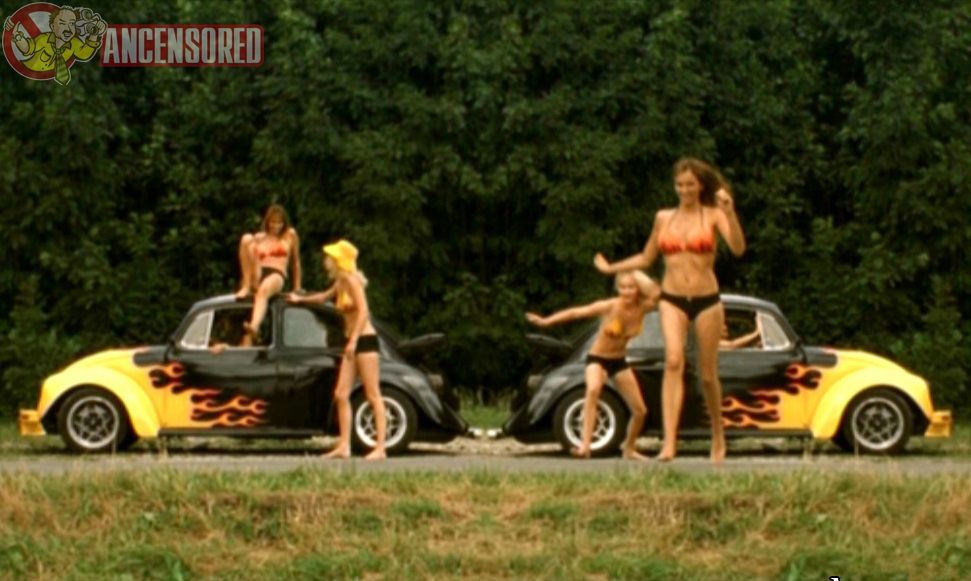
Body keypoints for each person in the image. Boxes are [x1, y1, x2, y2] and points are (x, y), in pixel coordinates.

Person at [594, 158, 745, 464]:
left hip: (706, 299)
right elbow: (646, 257)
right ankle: (669, 442)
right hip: (672, 298)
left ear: (700, 185)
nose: (684, 190)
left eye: (690, 184)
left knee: (707, 375)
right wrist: (612, 268)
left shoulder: (713, 214)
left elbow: (738, 248)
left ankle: (718, 435)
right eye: (679, 184)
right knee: (673, 361)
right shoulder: (663, 218)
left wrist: (730, 212)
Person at [526, 271, 661, 459]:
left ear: (638, 289)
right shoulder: (610, 306)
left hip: (619, 361)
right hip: (598, 358)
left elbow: (657, 292)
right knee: (593, 390)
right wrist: (546, 321)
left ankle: (629, 449)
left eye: (631, 287)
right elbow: (576, 312)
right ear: (618, 289)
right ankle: (585, 447)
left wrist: (638, 276)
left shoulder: (643, 307)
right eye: (623, 288)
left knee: (640, 411)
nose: (627, 292)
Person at [288, 240, 387, 460]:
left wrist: (353, 341)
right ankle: (344, 445)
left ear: (338, 261)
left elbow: (364, 311)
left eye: (329, 258)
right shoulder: (341, 282)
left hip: (364, 340)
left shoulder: (352, 281)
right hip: (351, 341)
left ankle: (380, 447)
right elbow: (322, 297)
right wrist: (300, 299)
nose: (325, 261)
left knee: (373, 394)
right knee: (341, 394)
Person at [237, 205, 302, 345]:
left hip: (277, 273)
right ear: (267, 222)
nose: (276, 226)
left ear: (284, 223)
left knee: (263, 291)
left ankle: (254, 326)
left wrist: (297, 287)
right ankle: (246, 286)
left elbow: (296, 262)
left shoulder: (290, 235)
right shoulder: (261, 237)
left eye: (279, 222)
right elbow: (248, 250)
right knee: (246, 238)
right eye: (273, 222)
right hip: (259, 272)